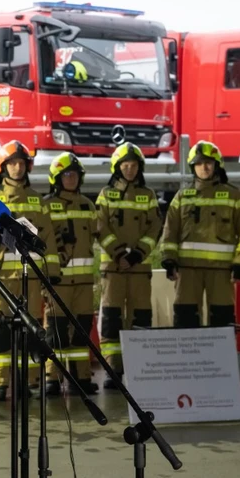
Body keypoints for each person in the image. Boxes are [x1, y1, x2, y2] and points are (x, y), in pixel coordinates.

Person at [0, 141, 60, 401]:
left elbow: (49, 240)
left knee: (32, 331)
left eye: (22, 163)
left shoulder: (37, 201)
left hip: (30, 279)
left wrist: (51, 272)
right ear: (2, 167)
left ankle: (31, 379)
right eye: (12, 163)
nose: (18, 168)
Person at [160, 141, 240, 328]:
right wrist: (169, 260)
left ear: (217, 165)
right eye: (199, 163)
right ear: (193, 166)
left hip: (222, 270)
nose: (205, 167)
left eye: (209, 162)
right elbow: (170, 231)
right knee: (185, 318)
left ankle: (221, 358)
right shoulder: (182, 196)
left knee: (222, 319)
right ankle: (187, 357)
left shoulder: (234, 196)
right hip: (187, 270)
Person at [96, 143, 161, 388]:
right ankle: (114, 371)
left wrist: (137, 255)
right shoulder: (106, 194)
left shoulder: (149, 195)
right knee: (112, 319)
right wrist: (119, 254)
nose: (130, 169)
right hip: (113, 268)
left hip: (139, 267)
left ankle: (139, 368)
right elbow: (100, 227)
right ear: (117, 167)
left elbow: (154, 228)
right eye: (125, 165)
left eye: (134, 165)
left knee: (140, 318)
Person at [43, 152, 99, 395]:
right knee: (56, 331)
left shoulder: (88, 204)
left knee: (81, 331)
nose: (71, 179)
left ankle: (81, 378)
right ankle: (53, 379)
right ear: (56, 178)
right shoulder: (45, 205)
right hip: (59, 281)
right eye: (66, 175)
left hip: (85, 282)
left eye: (75, 175)